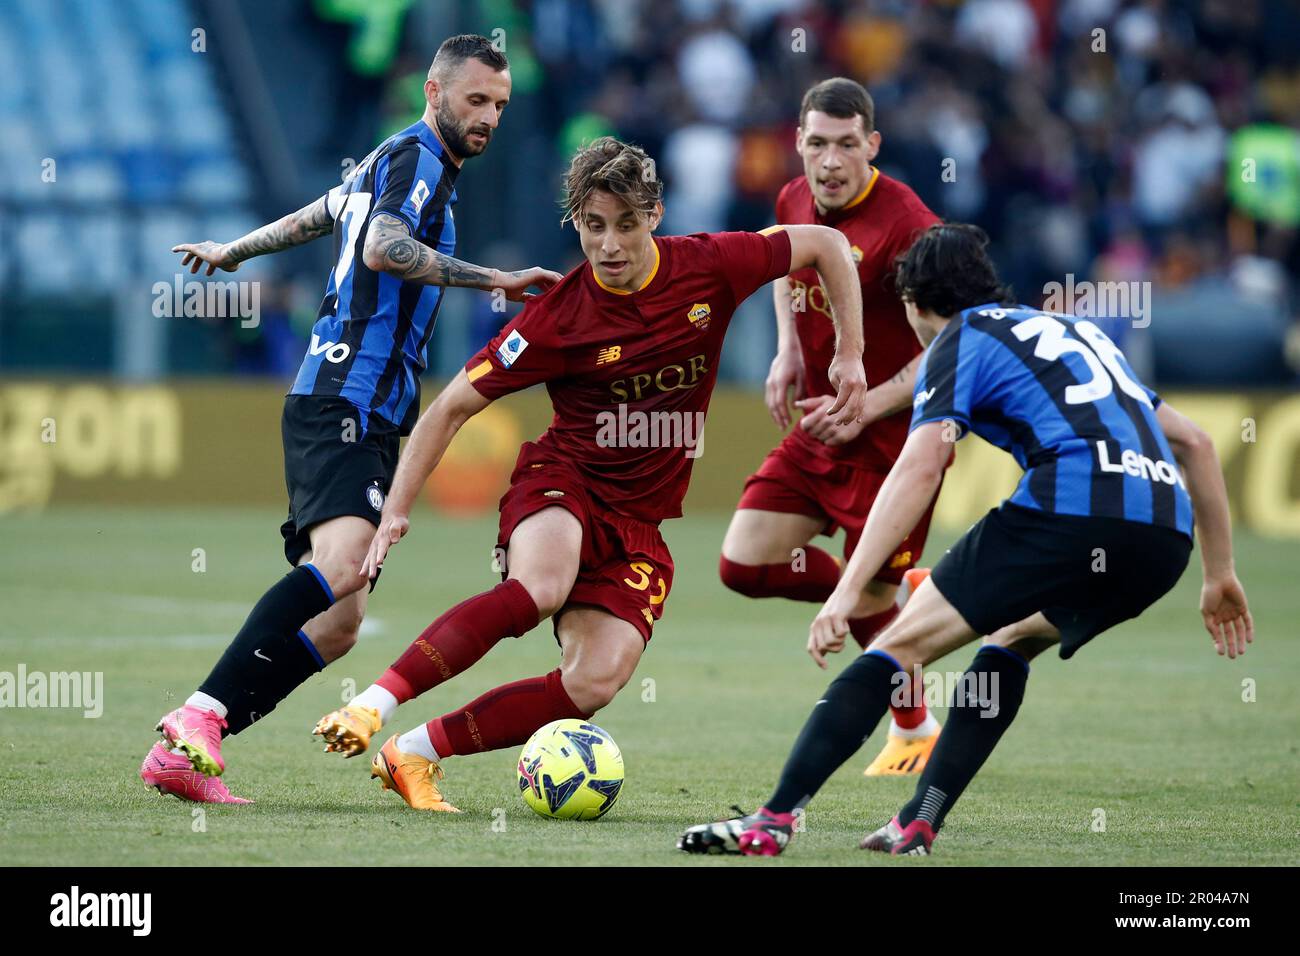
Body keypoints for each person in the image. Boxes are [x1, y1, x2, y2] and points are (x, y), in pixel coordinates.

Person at [311, 136, 868, 812]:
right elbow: (450, 407)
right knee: (540, 586)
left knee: (594, 682)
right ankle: (375, 704)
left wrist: (850, 355)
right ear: (574, 221)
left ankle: (414, 753)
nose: (609, 244)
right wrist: (396, 510)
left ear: (655, 214)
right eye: (593, 225)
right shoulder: (557, 319)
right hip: (562, 477)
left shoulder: (712, 265)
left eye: (626, 225)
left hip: (640, 519)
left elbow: (825, 246)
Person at [678, 223, 1253, 856]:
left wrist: (846, 590)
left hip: (1071, 509)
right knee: (1013, 638)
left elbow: (920, 467)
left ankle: (773, 821)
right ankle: (919, 819)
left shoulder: (960, 338)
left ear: (915, 306)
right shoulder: (1075, 333)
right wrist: (1219, 573)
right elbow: (1195, 442)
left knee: (896, 649)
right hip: (1162, 538)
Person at [140, 35, 562, 802]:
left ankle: (190, 747)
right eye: (476, 100)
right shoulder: (421, 161)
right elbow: (380, 246)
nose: (490, 117)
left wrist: (236, 250)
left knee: (338, 623)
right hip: (345, 396)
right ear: (435, 92)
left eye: (500, 105)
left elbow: (326, 213)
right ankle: (195, 718)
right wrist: (496, 278)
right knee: (339, 565)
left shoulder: (391, 161)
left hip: (368, 410)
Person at [718, 77, 943, 775]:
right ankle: (898, 599)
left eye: (847, 145)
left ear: (872, 145)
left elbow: (951, 346)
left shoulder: (909, 227)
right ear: (799, 143)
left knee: (869, 601)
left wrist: (869, 405)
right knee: (742, 564)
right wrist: (788, 348)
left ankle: (914, 726)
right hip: (819, 428)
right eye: (818, 143)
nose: (831, 161)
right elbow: (792, 268)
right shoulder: (791, 199)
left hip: (896, 448)